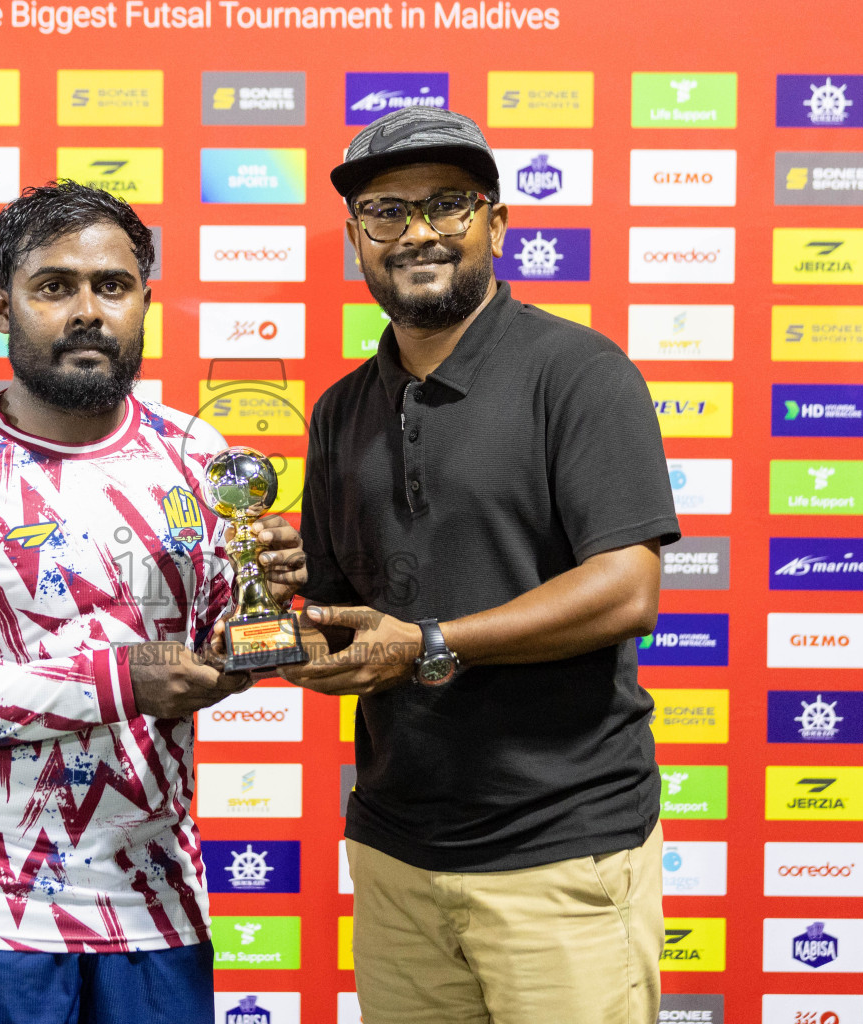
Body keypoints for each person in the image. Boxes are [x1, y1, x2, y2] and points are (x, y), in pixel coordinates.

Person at [0, 181, 304, 1024]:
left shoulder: (196, 456)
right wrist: (118, 682)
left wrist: (269, 610)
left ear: (145, 299)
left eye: (112, 285)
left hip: (159, 908)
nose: (88, 311)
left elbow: (212, 653)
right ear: (2, 305)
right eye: (54, 286)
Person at [285, 108, 681, 1024]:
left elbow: (628, 590)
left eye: (448, 206)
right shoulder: (340, 410)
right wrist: (289, 635)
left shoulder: (578, 371)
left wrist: (429, 643)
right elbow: (352, 625)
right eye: (386, 211)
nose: (417, 232)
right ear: (356, 240)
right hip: (395, 855)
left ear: (496, 224)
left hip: (560, 853)